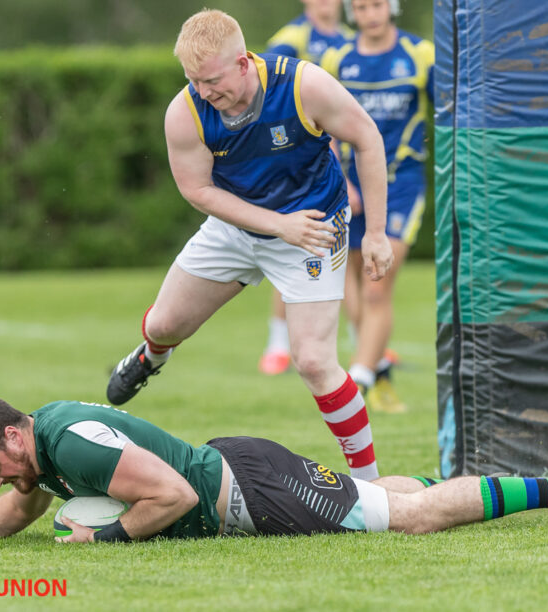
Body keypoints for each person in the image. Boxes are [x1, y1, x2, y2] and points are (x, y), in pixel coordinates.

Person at [105, 9, 393, 480]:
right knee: (163, 323)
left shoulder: (303, 85)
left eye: (211, 80)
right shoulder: (185, 113)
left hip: (315, 226)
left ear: (243, 63)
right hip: (237, 226)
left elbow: (367, 138)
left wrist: (376, 233)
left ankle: (371, 483)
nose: (203, 92)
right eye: (193, 80)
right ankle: (151, 356)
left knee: (314, 361)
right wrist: (278, 225)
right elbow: (198, 191)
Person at [0, 398, 548, 545]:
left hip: (250, 492)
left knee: (411, 521)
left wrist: (110, 539)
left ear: (13, 434)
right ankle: (470, 481)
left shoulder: (71, 444)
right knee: (375, 495)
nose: (1, 482)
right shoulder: (46, 447)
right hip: (243, 469)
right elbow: (22, 508)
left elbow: (174, 496)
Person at [320, 0, 435, 413]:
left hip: (401, 185)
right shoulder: (337, 59)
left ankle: (359, 381)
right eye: (361, 6)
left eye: (377, 5)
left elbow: (452, 113)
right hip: (349, 186)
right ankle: (379, 367)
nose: (370, 14)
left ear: (392, 7)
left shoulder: (421, 56)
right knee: (347, 283)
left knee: (376, 285)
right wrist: (342, 179)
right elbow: (321, 125)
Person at [258, 0, 355, 376]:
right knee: (290, 247)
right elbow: (270, 98)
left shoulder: (348, 40)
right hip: (299, 161)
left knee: (347, 254)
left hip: (341, 155)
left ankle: (361, 342)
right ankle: (276, 344)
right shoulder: (291, 38)